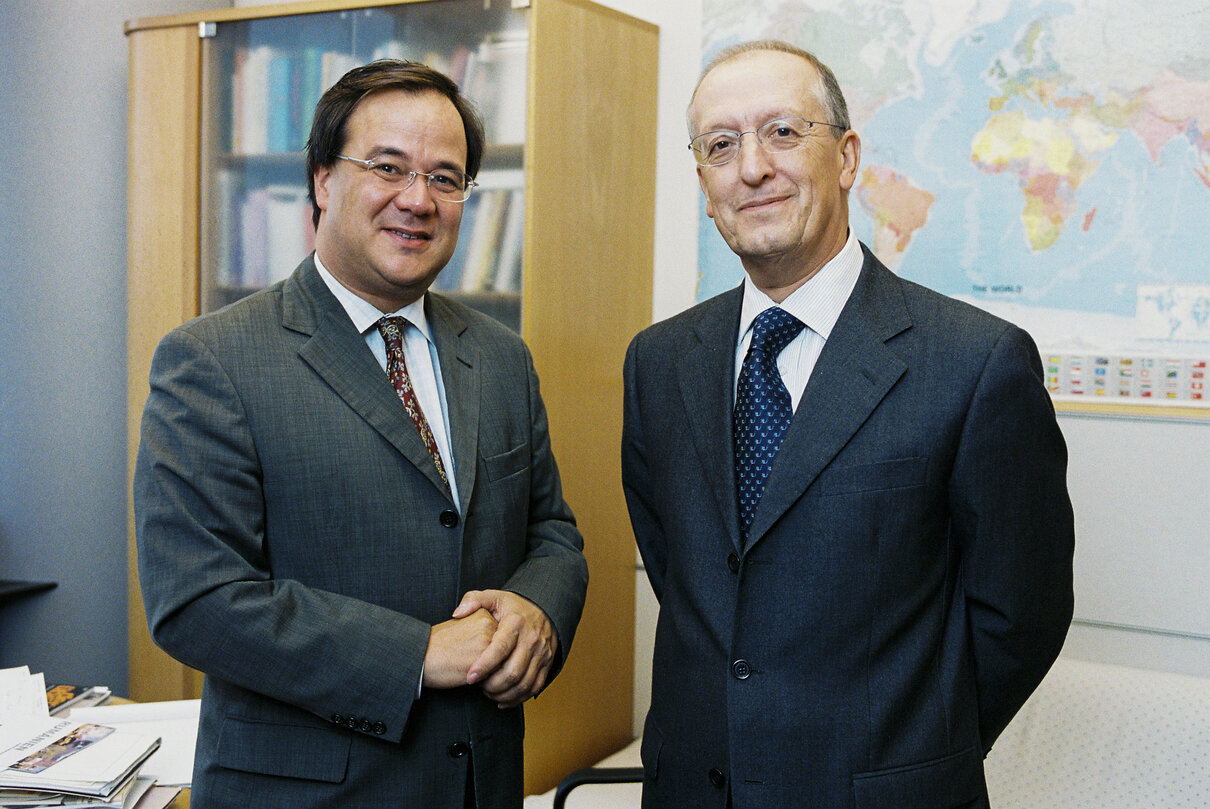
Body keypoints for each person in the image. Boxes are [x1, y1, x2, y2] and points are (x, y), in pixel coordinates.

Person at [621, 40, 1074, 809]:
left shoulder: (976, 362)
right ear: (703, 182)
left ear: (848, 156)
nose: (753, 168)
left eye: (784, 132)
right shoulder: (659, 362)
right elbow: (688, 572)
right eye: (721, 146)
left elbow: (1020, 613)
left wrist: (916, 744)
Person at [134, 60, 588, 809]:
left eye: (446, 178)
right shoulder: (213, 359)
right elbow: (197, 599)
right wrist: (418, 653)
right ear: (321, 180)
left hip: (482, 781)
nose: (418, 200)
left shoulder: (501, 356)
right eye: (388, 167)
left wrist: (538, 612)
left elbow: (552, 532)